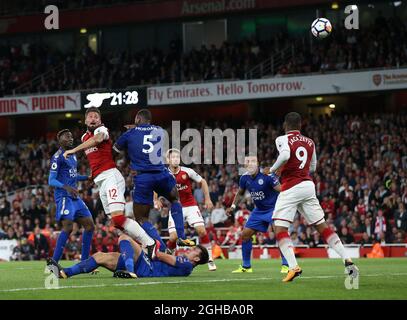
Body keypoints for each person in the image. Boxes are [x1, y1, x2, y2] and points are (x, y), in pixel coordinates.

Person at [269, 112, 358, 282]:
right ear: (300, 125)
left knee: (279, 228)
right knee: (322, 226)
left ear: (285, 125)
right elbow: (313, 167)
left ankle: (294, 267)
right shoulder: (310, 142)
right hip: (308, 186)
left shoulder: (282, 139)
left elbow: (286, 155)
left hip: (291, 187)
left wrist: (273, 170)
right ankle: (348, 259)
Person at [63, 108, 157, 257]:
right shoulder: (83, 137)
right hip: (101, 182)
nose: (93, 118)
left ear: (99, 121)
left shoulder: (101, 130)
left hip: (111, 177)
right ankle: (141, 249)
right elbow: (95, 159)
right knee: (117, 224)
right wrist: (91, 176)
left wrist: (73, 150)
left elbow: (98, 139)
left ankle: (151, 243)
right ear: (86, 121)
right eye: (90, 116)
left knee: (119, 218)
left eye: (96, 116)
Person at [113, 109, 192, 250]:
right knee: (174, 199)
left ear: (137, 119)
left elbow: (116, 150)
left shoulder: (129, 134)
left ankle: (161, 248)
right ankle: (181, 237)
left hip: (143, 177)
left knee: (141, 218)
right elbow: (146, 135)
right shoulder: (160, 131)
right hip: (162, 173)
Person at [226, 155, 289, 274]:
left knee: (279, 233)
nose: (250, 164)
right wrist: (233, 206)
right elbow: (240, 193)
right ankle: (246, 266)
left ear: (258, 163)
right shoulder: (244, 178)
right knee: (245, 235)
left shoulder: (267, 176)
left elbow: (282, 190)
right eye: (247, 162)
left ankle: (286, 265)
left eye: (253, 161)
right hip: (259, 210)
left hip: (274, 209)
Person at [47, 234, 209, 279]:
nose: (191, 249)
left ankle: (129, 271)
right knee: (99, 256)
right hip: (145, 265)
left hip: (147, 268)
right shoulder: (185, 266)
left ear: (196, 259)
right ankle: (65, 273)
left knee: (125, 238)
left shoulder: (187, 265)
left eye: (194, 250)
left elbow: (159, 255)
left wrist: (149, 247)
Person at [164, 148, 216, 271]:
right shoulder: (164, 173)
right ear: (168, 160)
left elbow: (202, 181)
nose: (176, 159)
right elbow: (156, 187)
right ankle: (167, 259)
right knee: (173, 237)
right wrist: (156, 200)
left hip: (190, 206)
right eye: (173, 157)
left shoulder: (187, 171)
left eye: (178, 157)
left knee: (202, 231)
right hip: (175, 207)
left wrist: (207, 199)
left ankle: (210, 259)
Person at [48, 129, 95, 266]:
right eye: (67, 137)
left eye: (71, 136)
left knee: (90, 226)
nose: (71, 138)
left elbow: (73, 176)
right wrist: (66, 187)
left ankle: (84, 263)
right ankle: (54, 262)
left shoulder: (73, 155)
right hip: (64, 196)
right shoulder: (57, 157)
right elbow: (51, 180)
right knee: (68, 227)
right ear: (60, 140)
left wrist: (87, 177)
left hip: (74, 198)